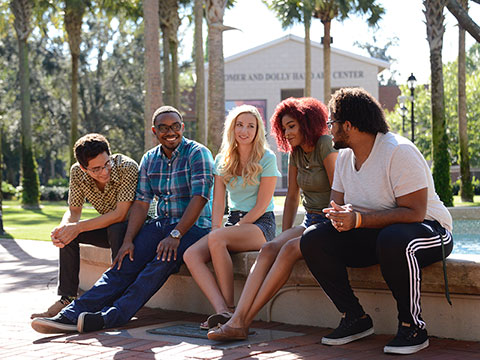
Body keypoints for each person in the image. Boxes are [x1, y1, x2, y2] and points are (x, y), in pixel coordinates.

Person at [31, 105, 214, 334]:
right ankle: (70, 313)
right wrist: (128, 241)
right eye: (164, 127)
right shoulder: (149, 159)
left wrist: (176, 234)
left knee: (159, 264)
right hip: (160, 224)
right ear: (154, 131)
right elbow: (141, 203)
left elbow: (200, 198)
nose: (171, 132)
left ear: (182, 127)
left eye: (176, 126)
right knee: (121, 264)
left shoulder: (198, 153)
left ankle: (110, 318)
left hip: (194, 228)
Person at [299, 88, 453, 355]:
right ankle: (355, 318)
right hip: (377, 233)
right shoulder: (345, 157)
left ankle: (413, 326)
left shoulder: (398, 151)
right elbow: (335, 205)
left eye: (331, 123)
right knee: (314, 238)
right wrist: (337, 217)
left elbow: (415, 212)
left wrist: (357, 219)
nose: (329, 129)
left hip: (430, 231)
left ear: (348, 125)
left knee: (393, 239)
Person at [208, 97, 337, 341]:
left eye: (292, 126)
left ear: (307, 124)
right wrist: (285, 233)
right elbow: (291, 197)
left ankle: (240, 321)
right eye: (284, 127)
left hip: (331, 220)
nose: (287, 133)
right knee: (269, 248)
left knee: (287, 249)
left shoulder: (325, 144)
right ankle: (238, 320)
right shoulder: (295, 154)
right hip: (310, 220)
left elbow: (340, 190)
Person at [184, 105, 281, 330]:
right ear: (232, 128)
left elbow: (261, 205)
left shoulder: (267, 158)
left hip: (259, 224)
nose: (244, 130)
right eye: (239, 125)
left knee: (218, 239)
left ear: (258, 130)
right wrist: (216, 228)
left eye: (250, 126)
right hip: (232, 224)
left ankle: (229, 309)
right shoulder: (222, 158)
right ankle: (221, 310)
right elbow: (218, 202)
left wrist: (228, 230)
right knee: (191, 255)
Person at [31, 133, 138, 319]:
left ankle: (116, 298)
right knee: (69, 234)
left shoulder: (127, 167)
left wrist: (77, 227)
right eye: (96, 169)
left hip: (136, 230)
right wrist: (63, 229)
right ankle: (67, 298)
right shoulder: (77, 173)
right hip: (111, 228)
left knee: (115, 228)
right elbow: (73, 211)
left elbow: (120, 215)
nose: (104, 172)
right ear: (83, 168)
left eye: (107, 164)